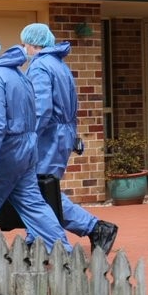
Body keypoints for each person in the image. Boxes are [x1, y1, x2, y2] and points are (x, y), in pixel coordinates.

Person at [0, 33, 73, 254]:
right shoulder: (17, 75)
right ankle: (64, 252)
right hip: (26, 152)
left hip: (2, 153)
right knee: (34, 205)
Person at [21, 23, 119, 255]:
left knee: (40, 191)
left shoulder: (40, 67)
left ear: (33, 44)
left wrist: (28, 137)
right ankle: (36, 238)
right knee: (44, 189)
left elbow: (41, 109)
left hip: (48, 136)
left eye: (24, 44)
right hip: (61, 134)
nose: (23, 48)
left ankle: (95, 228)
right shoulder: (59, 65)